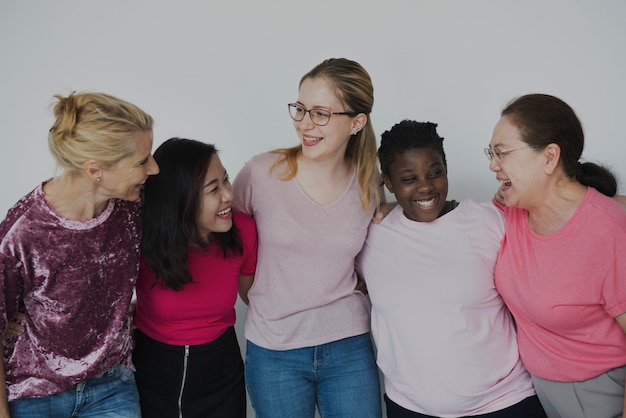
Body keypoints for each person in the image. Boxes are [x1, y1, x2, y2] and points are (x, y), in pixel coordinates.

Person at [356, 120, 546, 418]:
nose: (426, 186)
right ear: (388, 183)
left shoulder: (490, 221)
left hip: (505, 402)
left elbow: (564, 215)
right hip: (411, 408)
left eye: (435, 173)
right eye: (408, 178)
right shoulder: (371, 236)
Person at [232, 57, 383, 417]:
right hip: (273, 349)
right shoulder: (261, 172)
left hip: (348, 344)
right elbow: (223, 243)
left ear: (357, 122)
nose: (304, 124)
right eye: (300, 109)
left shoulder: (370, 183)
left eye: (320, 113)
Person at [0, 91, 159, 417]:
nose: (154, 169)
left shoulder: (131, 204)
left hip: (112, 385)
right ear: (95, 169)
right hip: (35, 395)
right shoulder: (25, 232)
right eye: (142, 161)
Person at [487, 93, 626, 418]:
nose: (493, 165)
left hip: (599, 394)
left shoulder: (607, 231)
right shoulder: (510, 212)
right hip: (537, 389)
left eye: (502, 153)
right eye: (491, 153)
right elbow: (450, 219)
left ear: (549, 157)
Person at [132, 138, 257, 418]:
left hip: (221, 369)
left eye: (226, 180)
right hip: (152, 368)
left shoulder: (244, 231)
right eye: (214, 189)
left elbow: (254, 296)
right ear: (181, 199)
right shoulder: (140, 238)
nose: (228, 195)